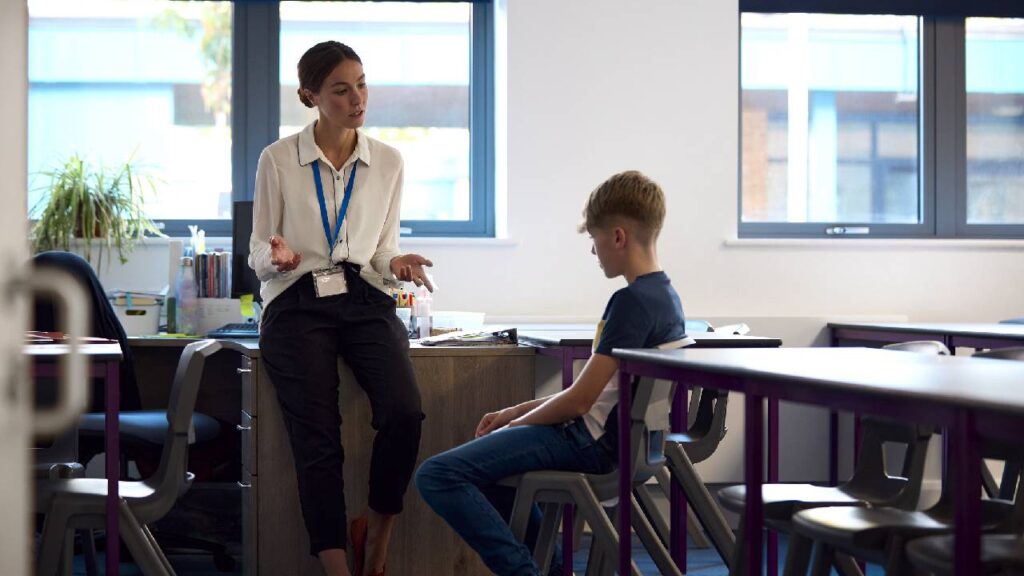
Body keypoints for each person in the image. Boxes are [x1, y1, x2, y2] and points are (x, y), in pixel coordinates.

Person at [415, 170, 687, 575]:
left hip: (590, 444)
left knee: (437, 474)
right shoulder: (666, 297)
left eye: (594, 240)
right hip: (618, 442)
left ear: (617, 237)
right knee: (486, 471)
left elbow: (579, 402)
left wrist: (518, 424)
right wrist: (513, 414)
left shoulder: (630, 303)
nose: (594, 253)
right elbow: (592, 391)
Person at [249, 41, 431, 576]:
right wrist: (275, 258)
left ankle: (374, 539)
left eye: (362, 84)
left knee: (404, 412)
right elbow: (260, 247)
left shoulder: (388, 162)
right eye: (341, 89)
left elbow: (379, 250)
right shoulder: (278, 159)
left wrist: (396, 263)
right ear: (311, 96)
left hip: (364, 296)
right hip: (297, 300)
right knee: (318, 439)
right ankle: (337, 567)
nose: (358, 99)